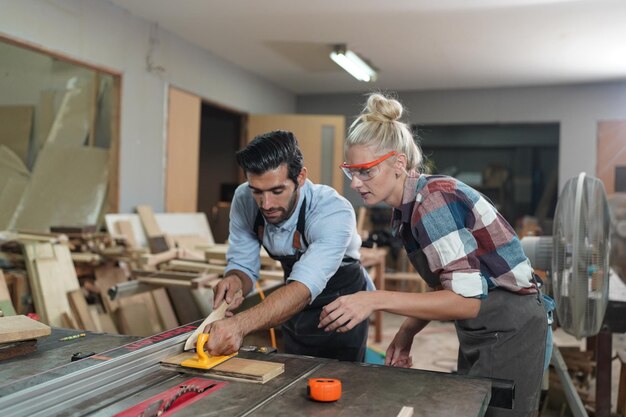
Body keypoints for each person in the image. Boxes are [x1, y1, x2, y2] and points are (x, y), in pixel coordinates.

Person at [318, 93, 548, 417]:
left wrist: (373, 299)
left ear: (398, 163)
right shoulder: (406, 212)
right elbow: (449, 284)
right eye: (350, 171)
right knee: (473, 405)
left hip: (510, 324)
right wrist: (408, 329)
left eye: (365, 171)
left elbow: (465, 301)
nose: (355, 183)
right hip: (481, 327)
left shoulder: (432, 201)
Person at [205, 129, 371, 362]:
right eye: (257, 192)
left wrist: (240, 325)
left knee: (341, 380)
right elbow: (243, 265)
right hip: (292, 303)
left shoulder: (332, 210)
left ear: (300, 177)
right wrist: (235, 280)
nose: (266, 204)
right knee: (294, 372)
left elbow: (303, 287)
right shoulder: (243, 198)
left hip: (340, 301)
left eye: (277, 191)